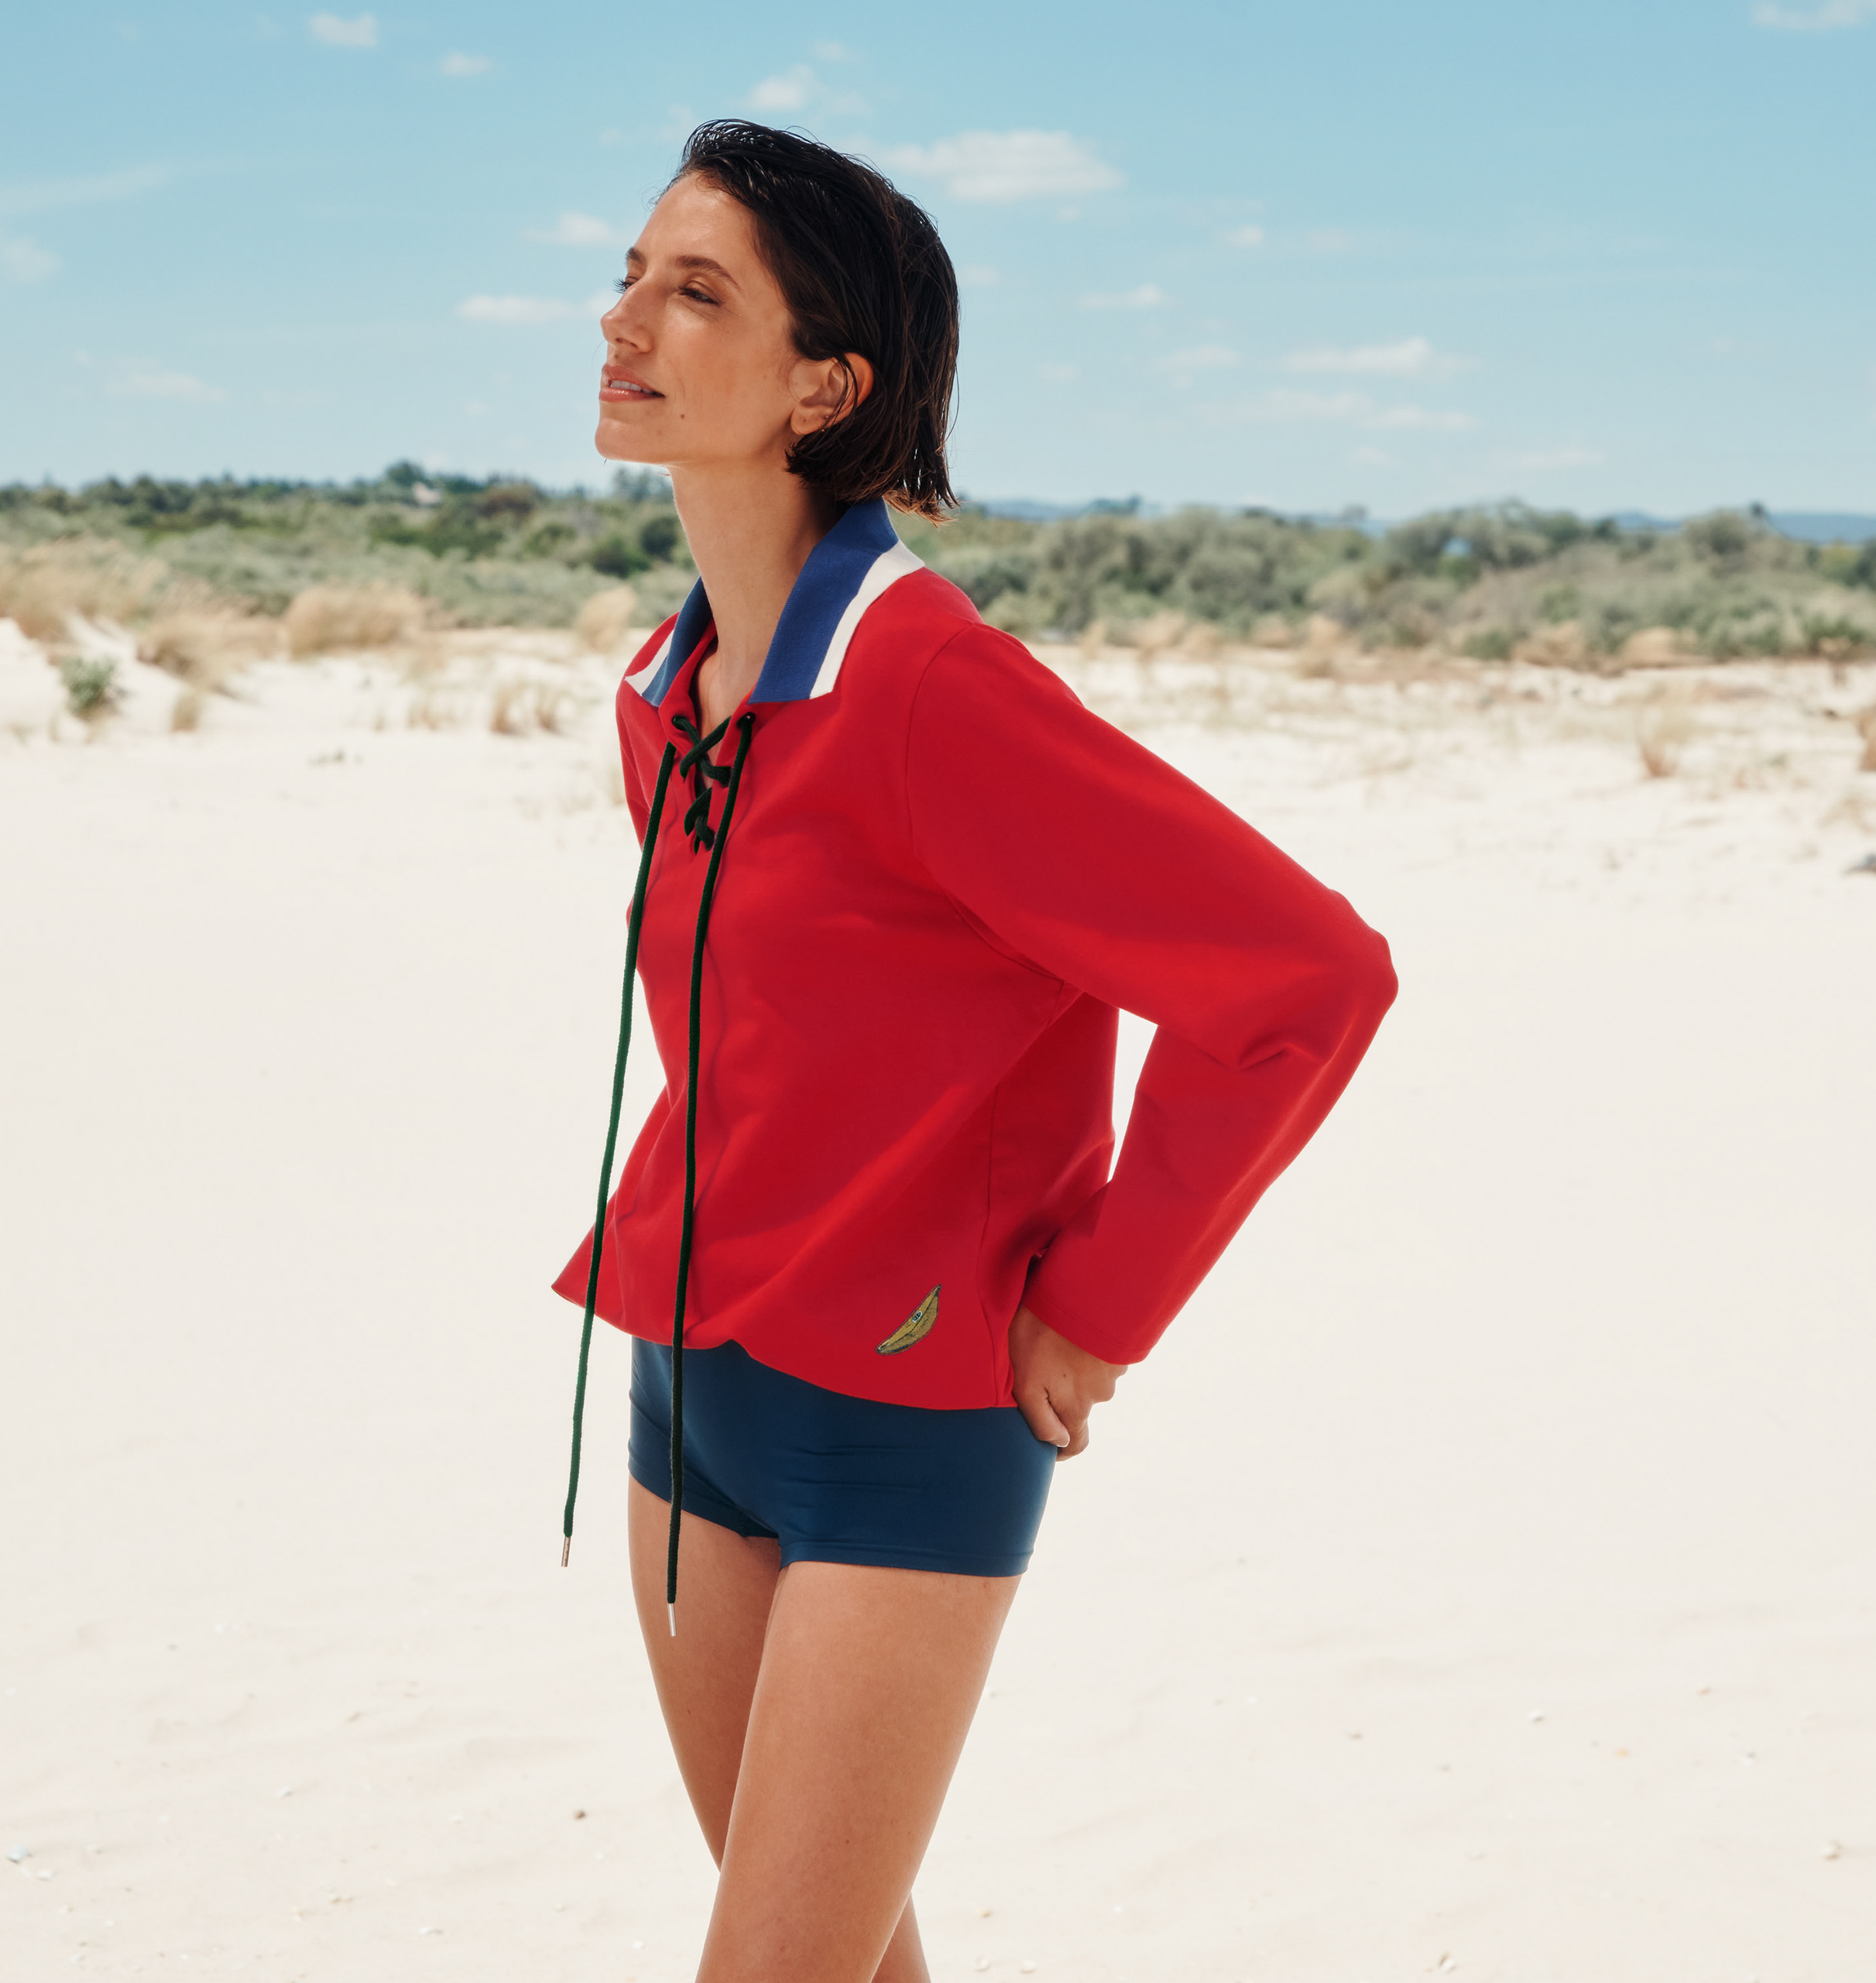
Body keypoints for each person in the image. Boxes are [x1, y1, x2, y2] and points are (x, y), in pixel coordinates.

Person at [554, 120, 1396, 1983]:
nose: (623, 320)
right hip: (687, 1396)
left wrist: (1098, 1307)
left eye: (697, 293)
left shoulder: (930, 685)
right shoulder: (667, 691)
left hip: (903, 1430)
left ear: (825, 386)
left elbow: (1306, 981)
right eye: (628, 276)